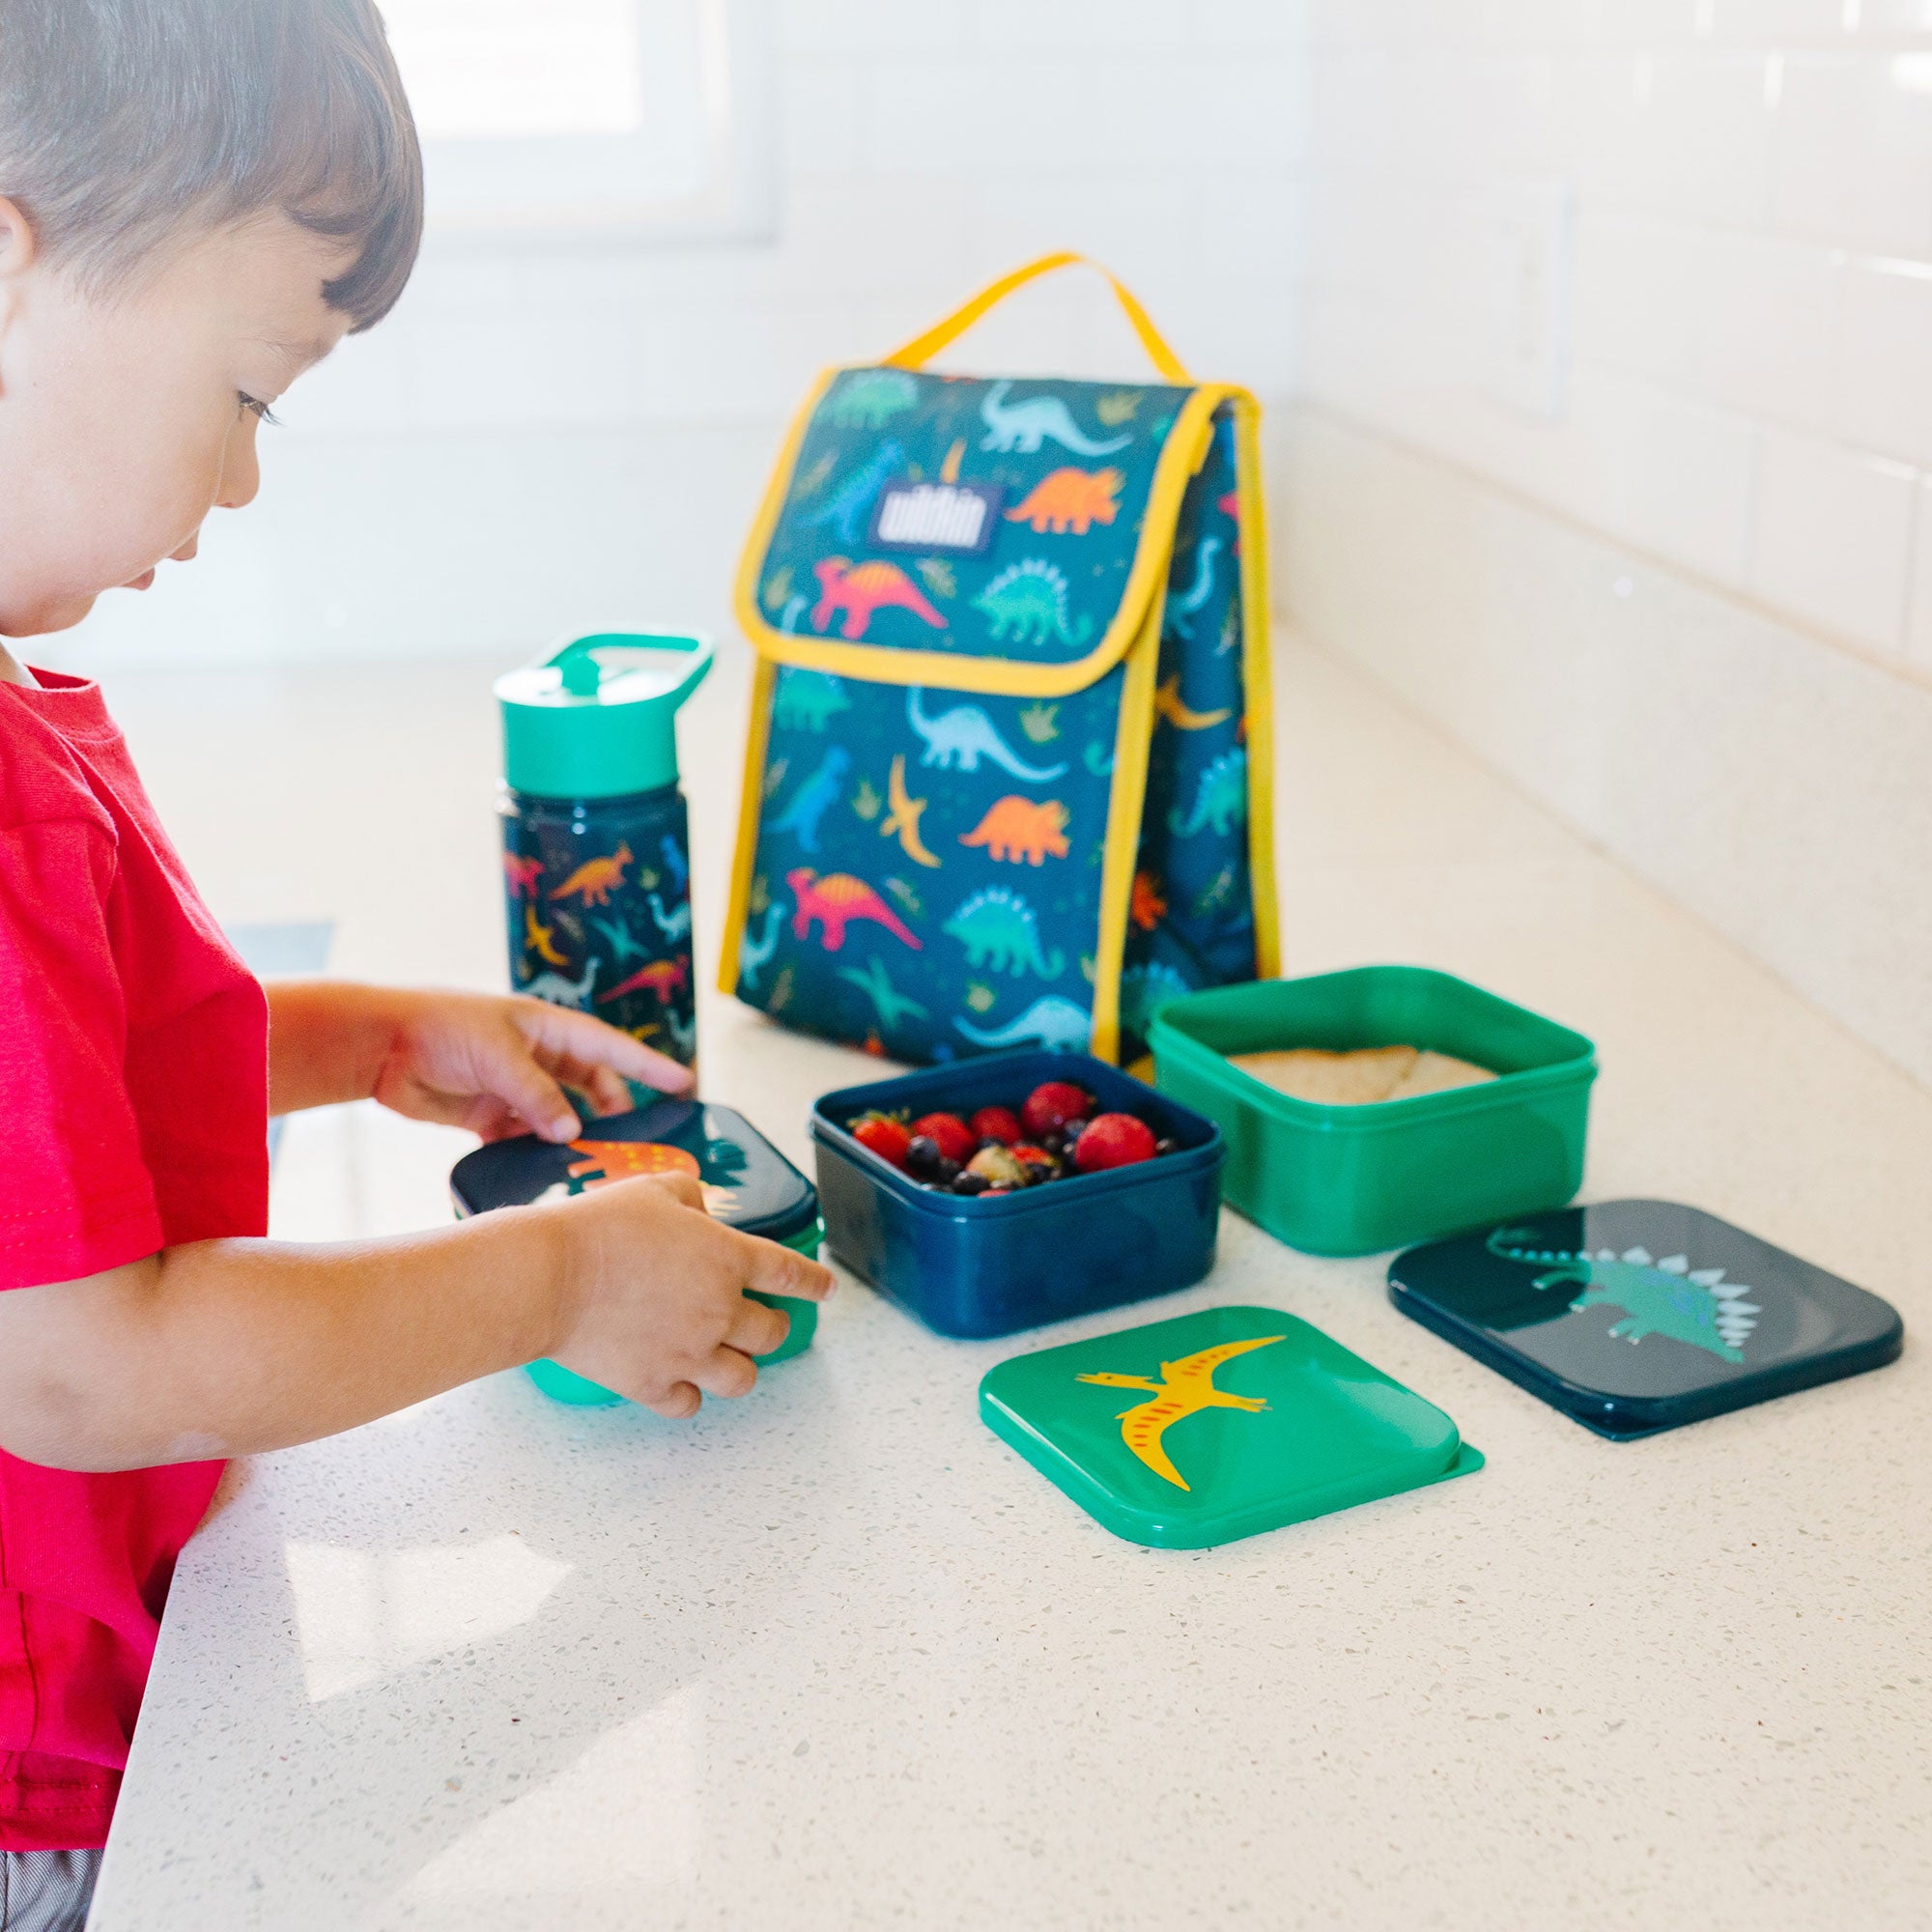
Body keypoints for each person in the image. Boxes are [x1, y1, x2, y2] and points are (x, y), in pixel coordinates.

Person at [0, 6, 833, 1924]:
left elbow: (56, 1109)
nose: (243, 481)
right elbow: (81, 1364)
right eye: (250, 391)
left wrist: (364, 1037)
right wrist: (560, 1278)